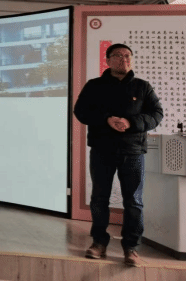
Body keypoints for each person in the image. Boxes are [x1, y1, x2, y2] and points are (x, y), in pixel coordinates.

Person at [73, 43, 163, 267]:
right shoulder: (94, 86)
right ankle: (99, 242)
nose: (124, 59)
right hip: (102, 150)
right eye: (118, 55)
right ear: (108, 60)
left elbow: (156, 113)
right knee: (99, 198)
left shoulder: (142, 87)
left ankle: (131, 247)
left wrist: (131, 122)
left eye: (127, 56)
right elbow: (81, 111)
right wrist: (107, 119)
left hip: (133, 152)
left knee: (134, 201)